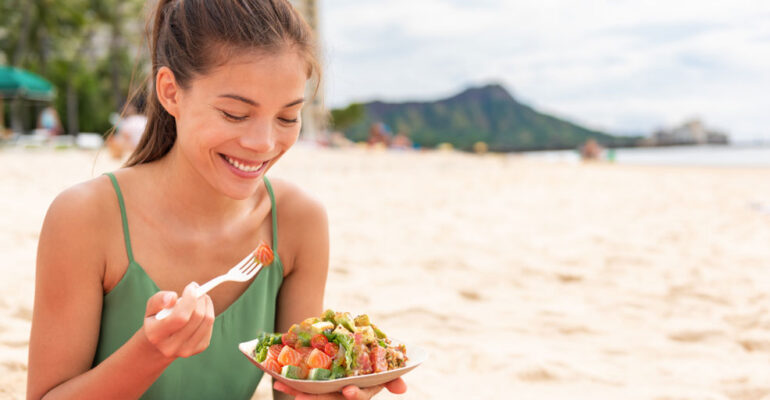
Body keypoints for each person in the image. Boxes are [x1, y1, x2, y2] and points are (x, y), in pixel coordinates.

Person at [26, 1, 407, 399]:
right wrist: (150, 353)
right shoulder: (86, 217)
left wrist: (335, 387)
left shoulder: (298, 222)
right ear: (170, 93)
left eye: (287, 117)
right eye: (235, 114)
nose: (263, 144)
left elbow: (290, 390)